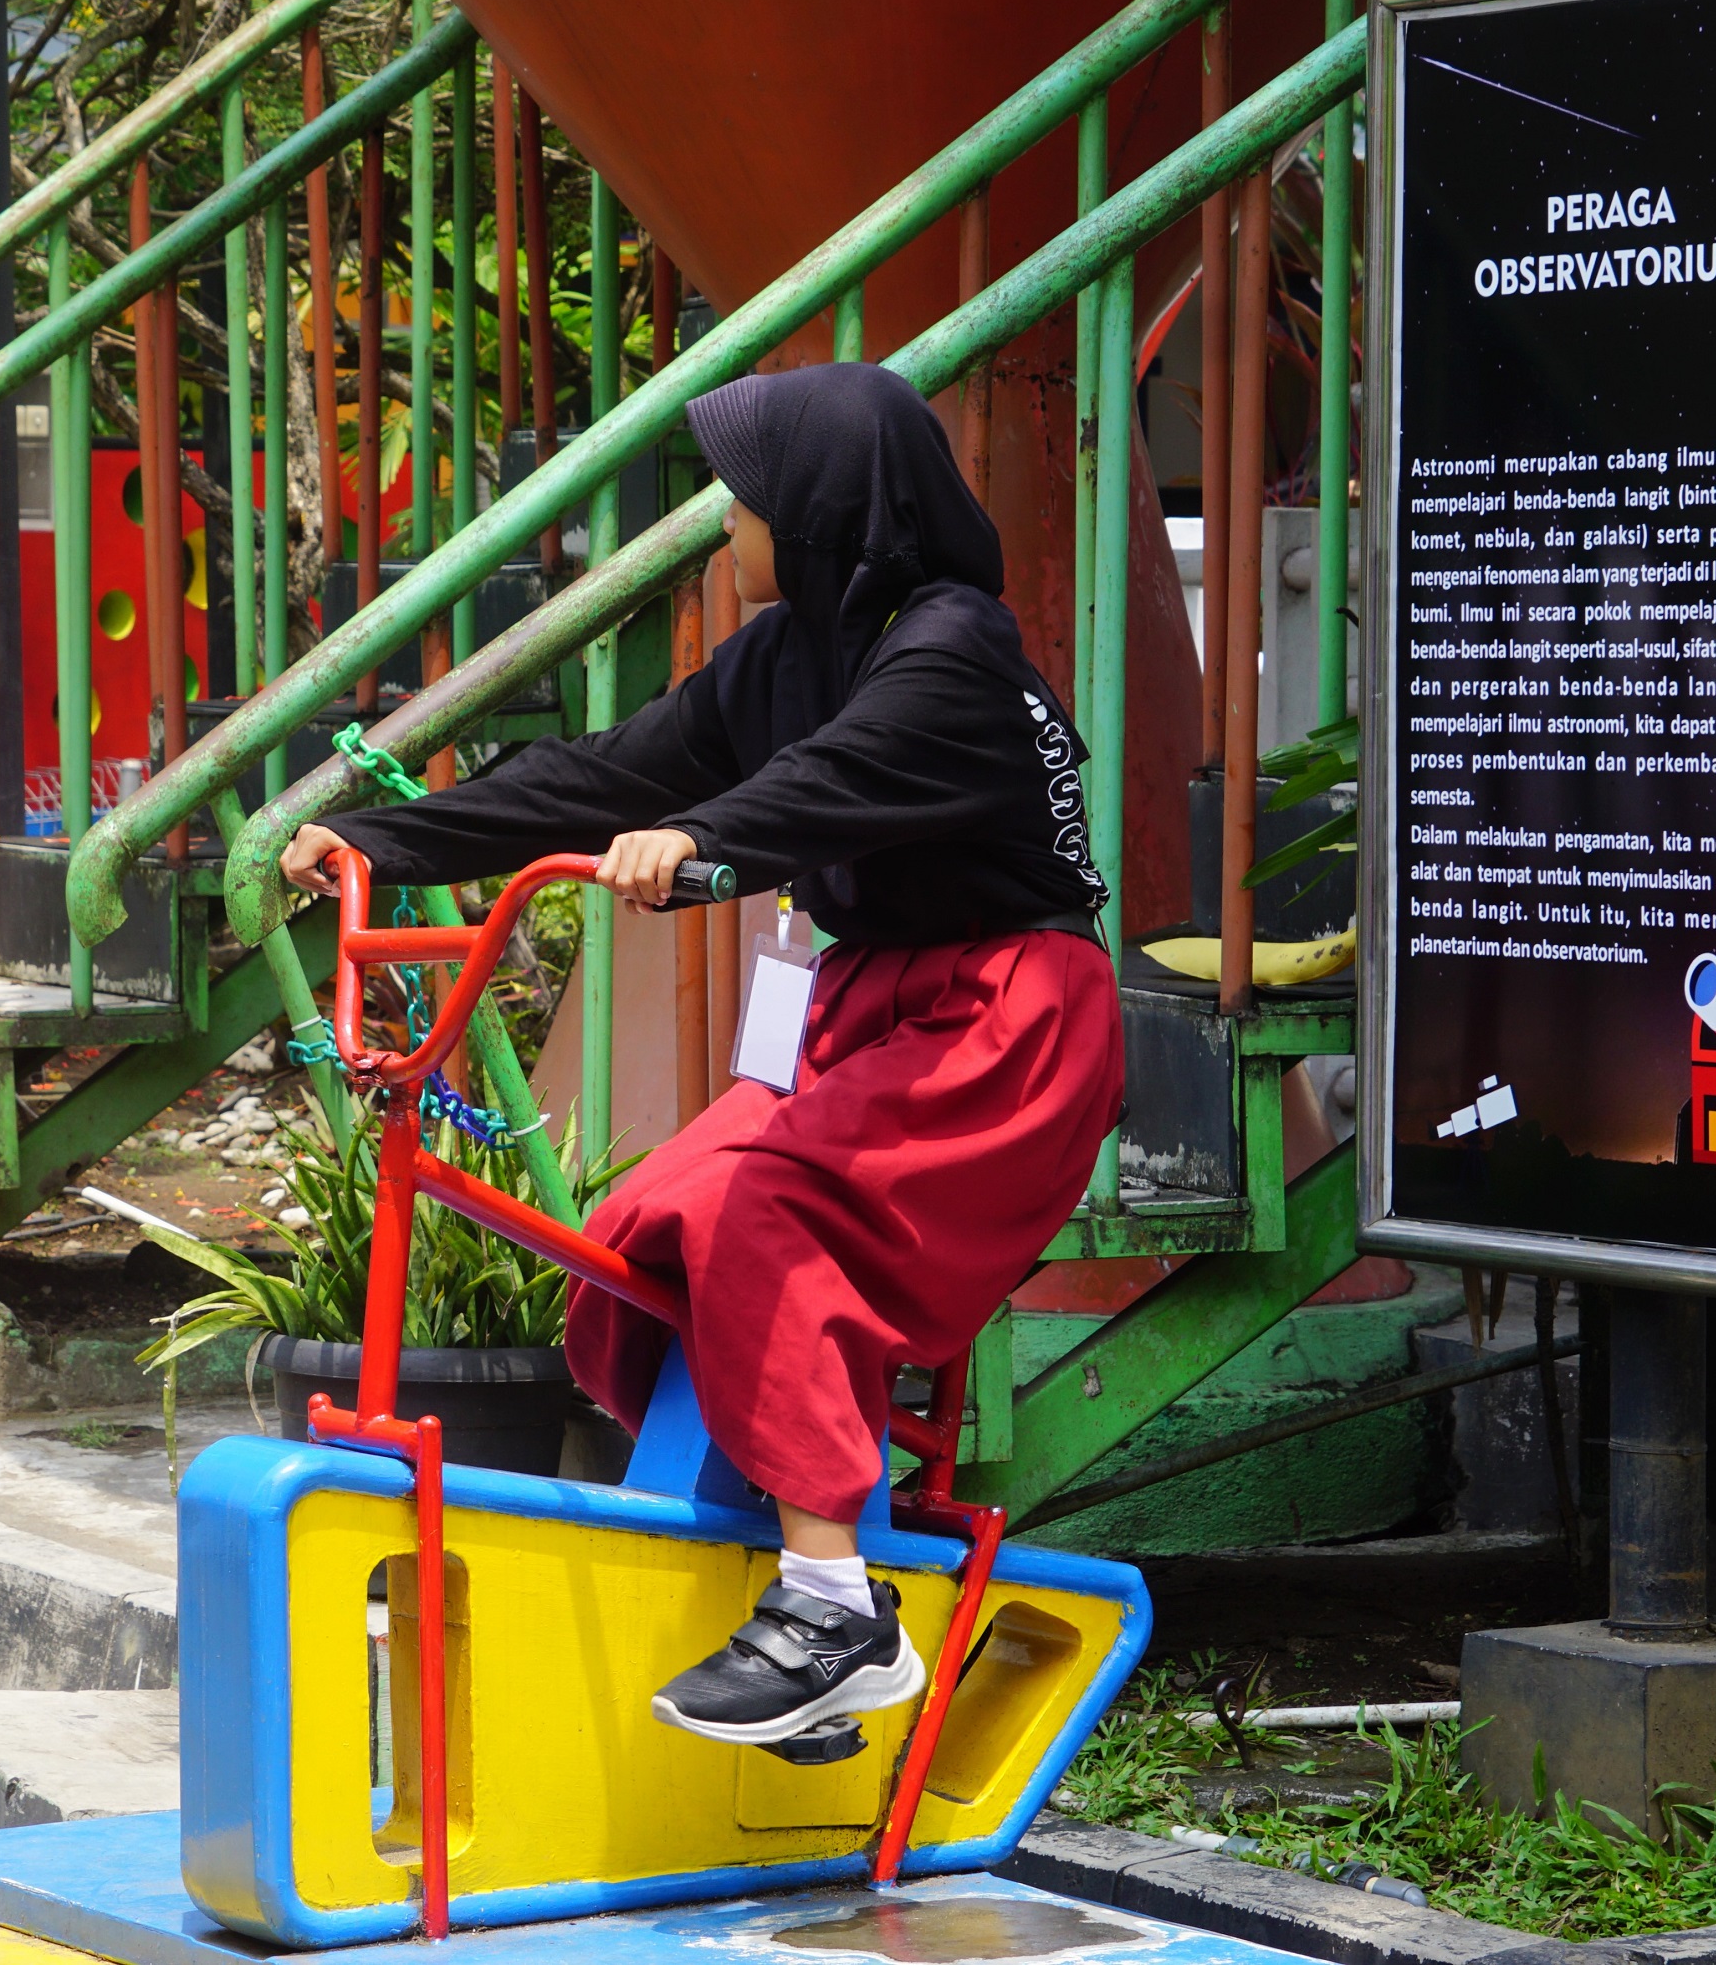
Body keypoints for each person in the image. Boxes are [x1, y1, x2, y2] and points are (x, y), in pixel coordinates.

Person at [279, 364, 1123, 1746]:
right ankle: (759, 1542)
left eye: (743, 499)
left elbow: (828, 784)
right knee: (645, 1222)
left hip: (1007, 1022)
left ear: (817, 512)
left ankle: (832, 1606)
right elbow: (597, 773)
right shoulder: (779, 658)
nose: (722, 522)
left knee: (765, 1211)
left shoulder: (953, 651)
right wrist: (385, 840)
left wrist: (708, 843)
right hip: (883, 1007)